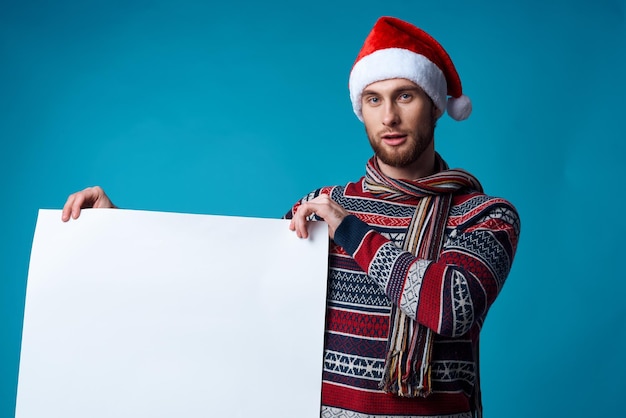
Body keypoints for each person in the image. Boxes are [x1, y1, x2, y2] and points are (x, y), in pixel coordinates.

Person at [63, 16, 520, 418]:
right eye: (375, 100)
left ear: (436, 105)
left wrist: (351, 231)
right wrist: (115, 230)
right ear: (361, 110)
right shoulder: (321, 205)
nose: (390, 117)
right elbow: (230, 284)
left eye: (406, 96)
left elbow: (452, 308)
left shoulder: (485, 215)